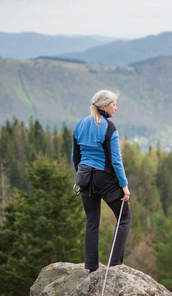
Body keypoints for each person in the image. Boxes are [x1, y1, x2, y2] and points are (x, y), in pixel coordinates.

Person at [72, 90, 131, 274]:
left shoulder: (80, 124)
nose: (116, 107)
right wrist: (124, 185)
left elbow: (76, 157)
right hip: (104, 178)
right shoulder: (109, 128)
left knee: (91, 221)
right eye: (114, 104)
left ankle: (91, 267)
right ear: (104, 106)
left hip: (85, 177)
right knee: (124, 217)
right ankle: (114, 264)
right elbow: (116, 161)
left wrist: (81, 176)